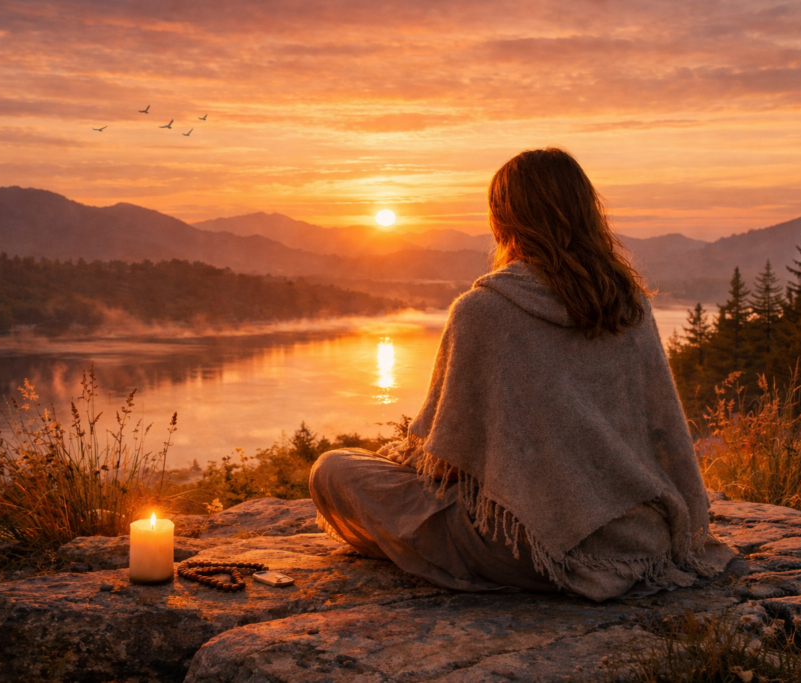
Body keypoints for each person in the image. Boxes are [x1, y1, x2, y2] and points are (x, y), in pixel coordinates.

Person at [309, 147, 734, 601]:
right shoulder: (629, 304)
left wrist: (405, 457)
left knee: (333, 470)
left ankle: (425, 551)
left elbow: (450, 465)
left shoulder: (484, 310)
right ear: (588, 212)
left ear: (502, 220)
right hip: (641, 537)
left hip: (534, 549)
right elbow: (660, 431)